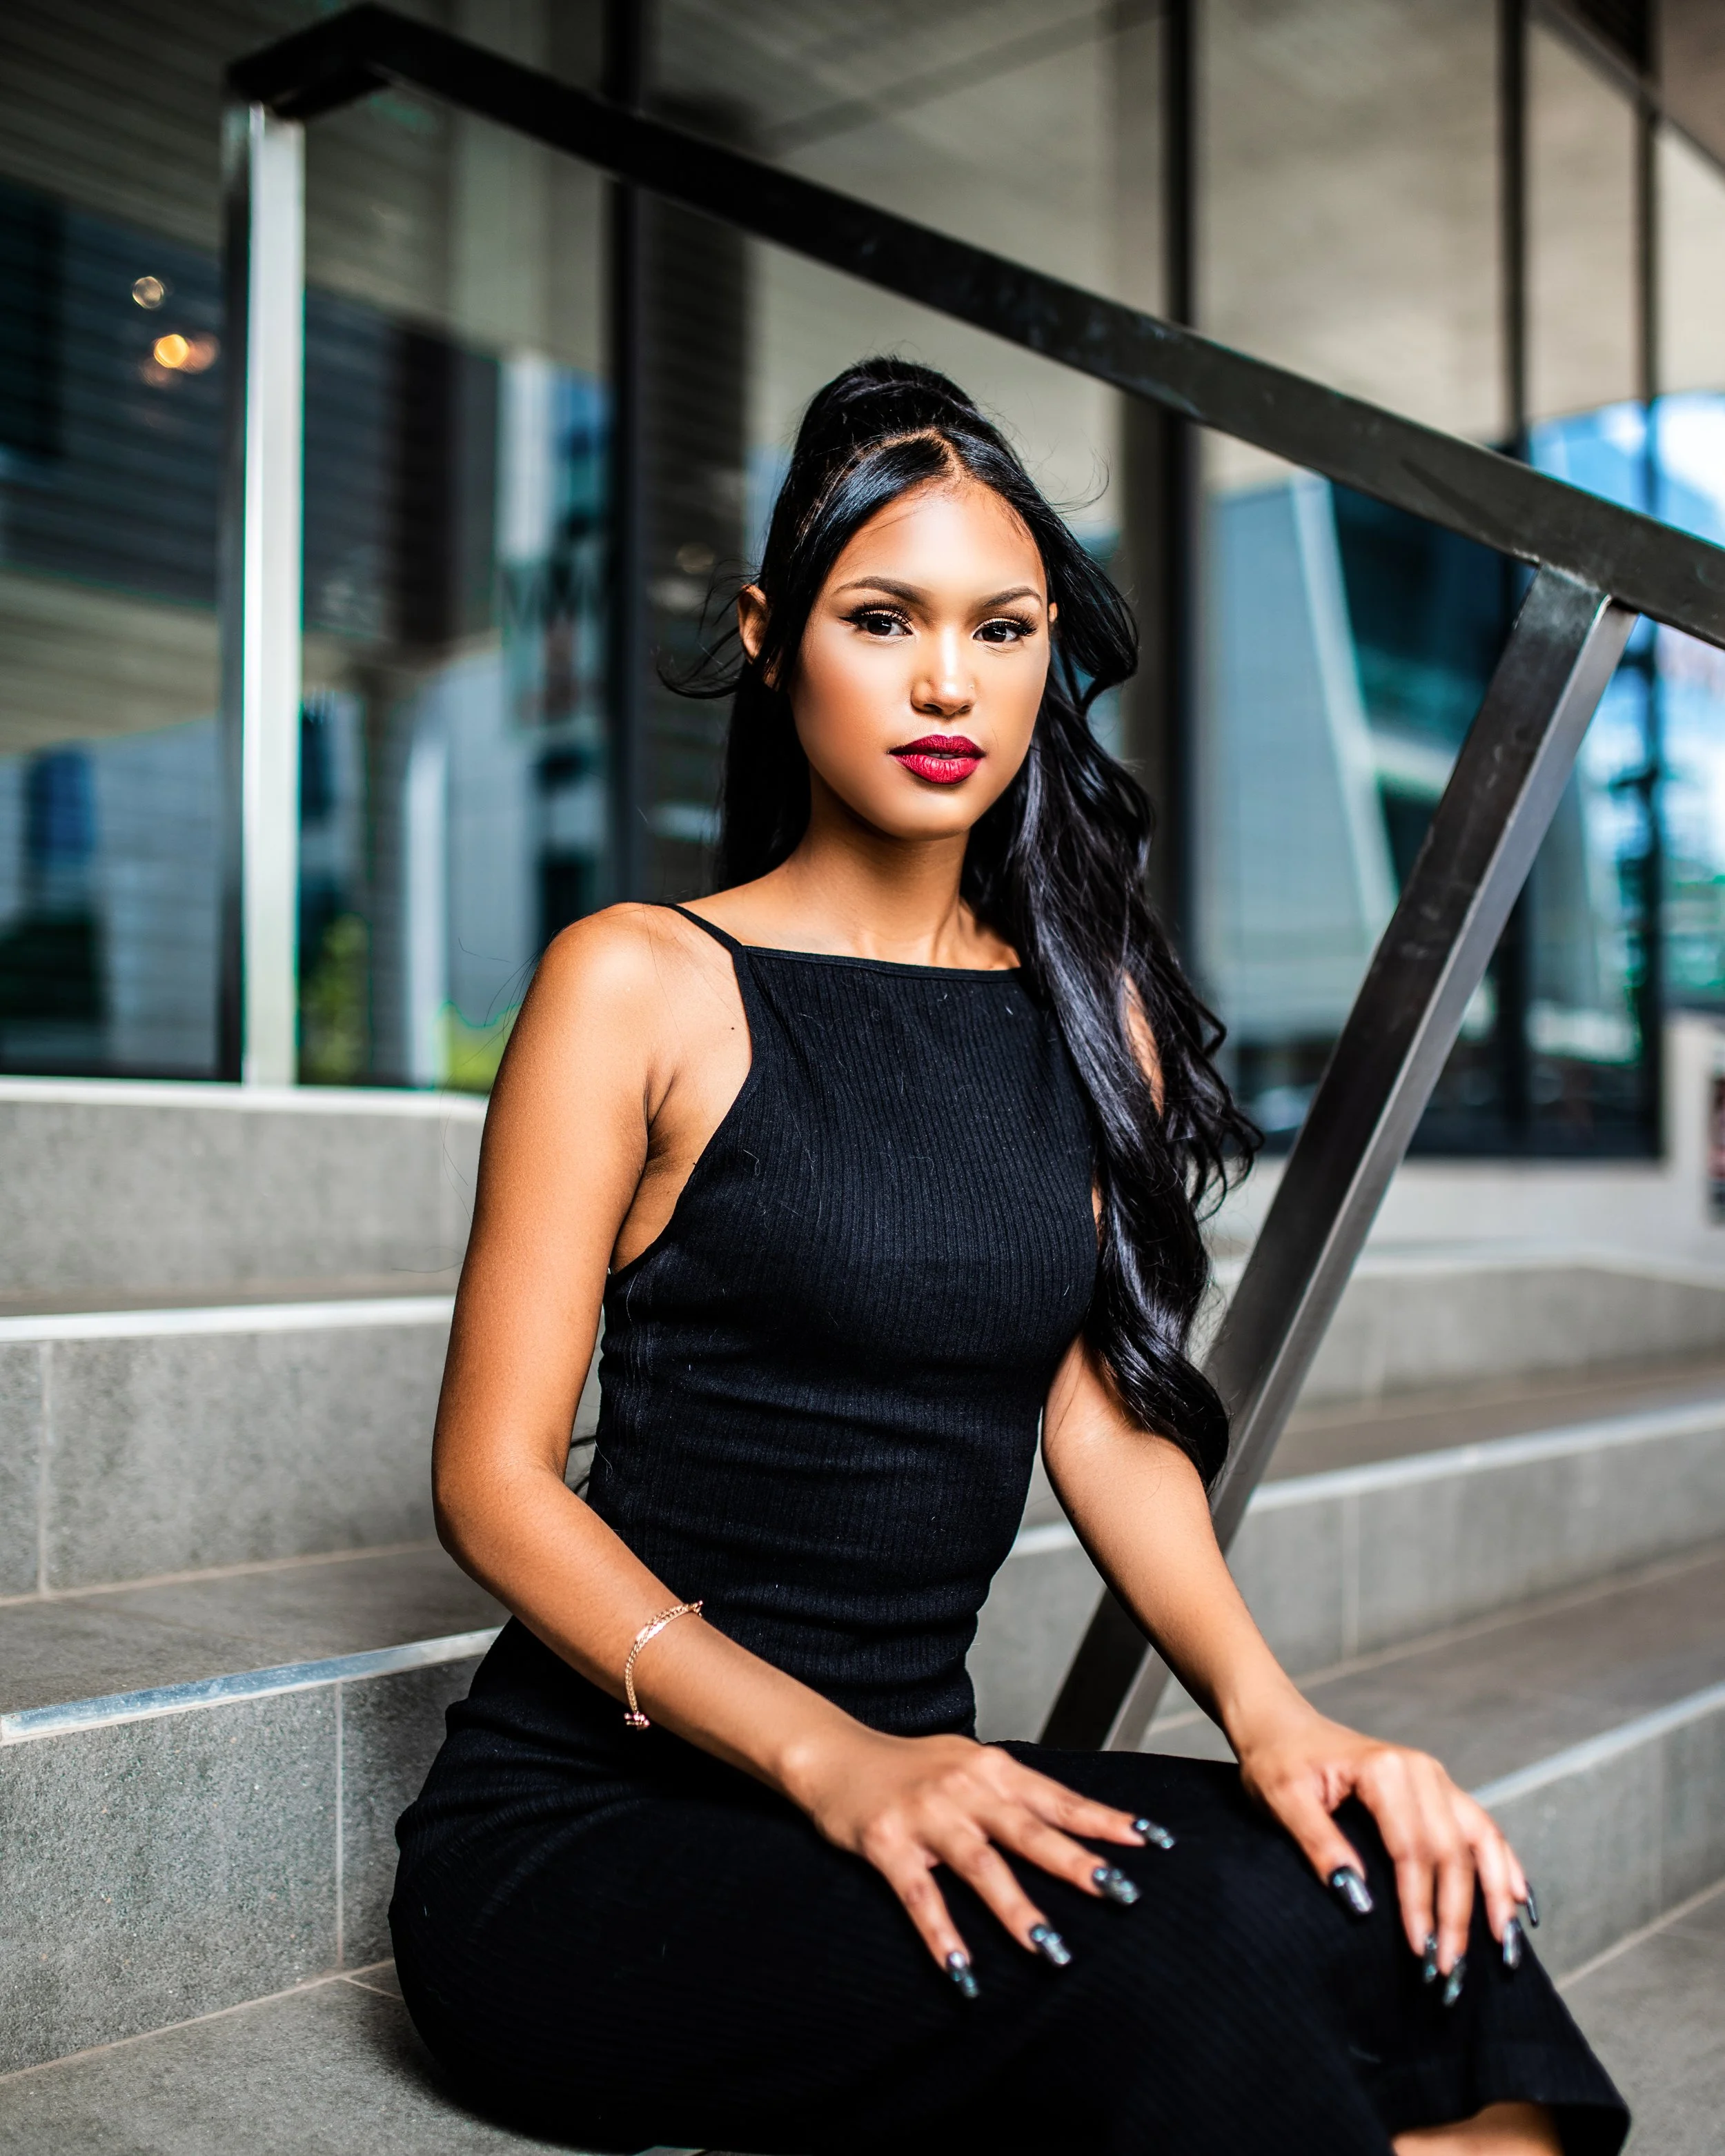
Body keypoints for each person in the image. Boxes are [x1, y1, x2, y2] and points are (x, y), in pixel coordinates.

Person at [392, 358, 1628, 2155]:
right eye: (880, 617)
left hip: (934, 1787)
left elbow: (1101, 1419)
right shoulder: (639, 983)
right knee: (1189, 1973)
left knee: (1422, 1912)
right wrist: (833, 1754)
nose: (947, 683)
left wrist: (1277, 1718)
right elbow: (492, 1486)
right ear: (767, 631)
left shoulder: (1086, 1009)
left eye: (1003, 625)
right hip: (602, 1838)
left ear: (1053, 650)